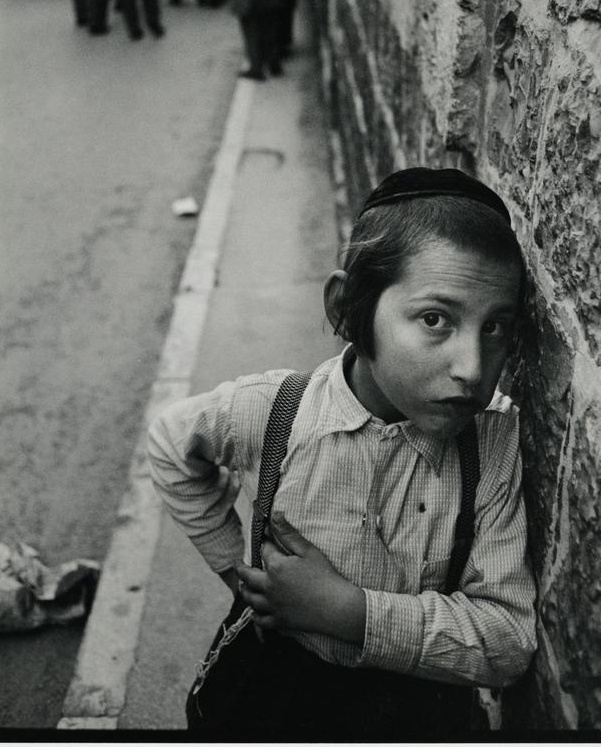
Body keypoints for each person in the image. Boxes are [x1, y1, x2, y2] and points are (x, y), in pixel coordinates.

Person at [147, 166, 537, 740]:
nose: (472, 369)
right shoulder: (277, 412)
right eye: (435, 319)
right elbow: (170, 443)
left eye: (496, 327)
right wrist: (242, 576)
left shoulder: (491, 443)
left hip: (415, 714)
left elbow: (507, 640)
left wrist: (347, 611)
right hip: (273, 698)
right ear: (348, 307)